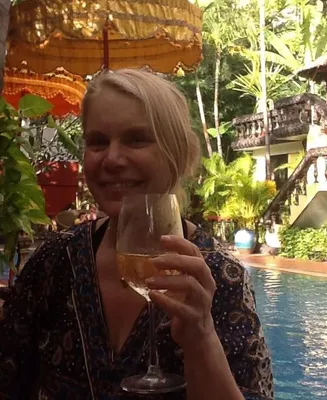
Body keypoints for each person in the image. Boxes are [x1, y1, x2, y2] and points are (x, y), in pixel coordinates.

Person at [0, 69, 274, 399]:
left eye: (136, 139)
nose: (113, 159)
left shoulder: (219, 277)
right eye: (98, 142)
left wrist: (201, 337)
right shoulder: (54, 263)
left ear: (177, 153)